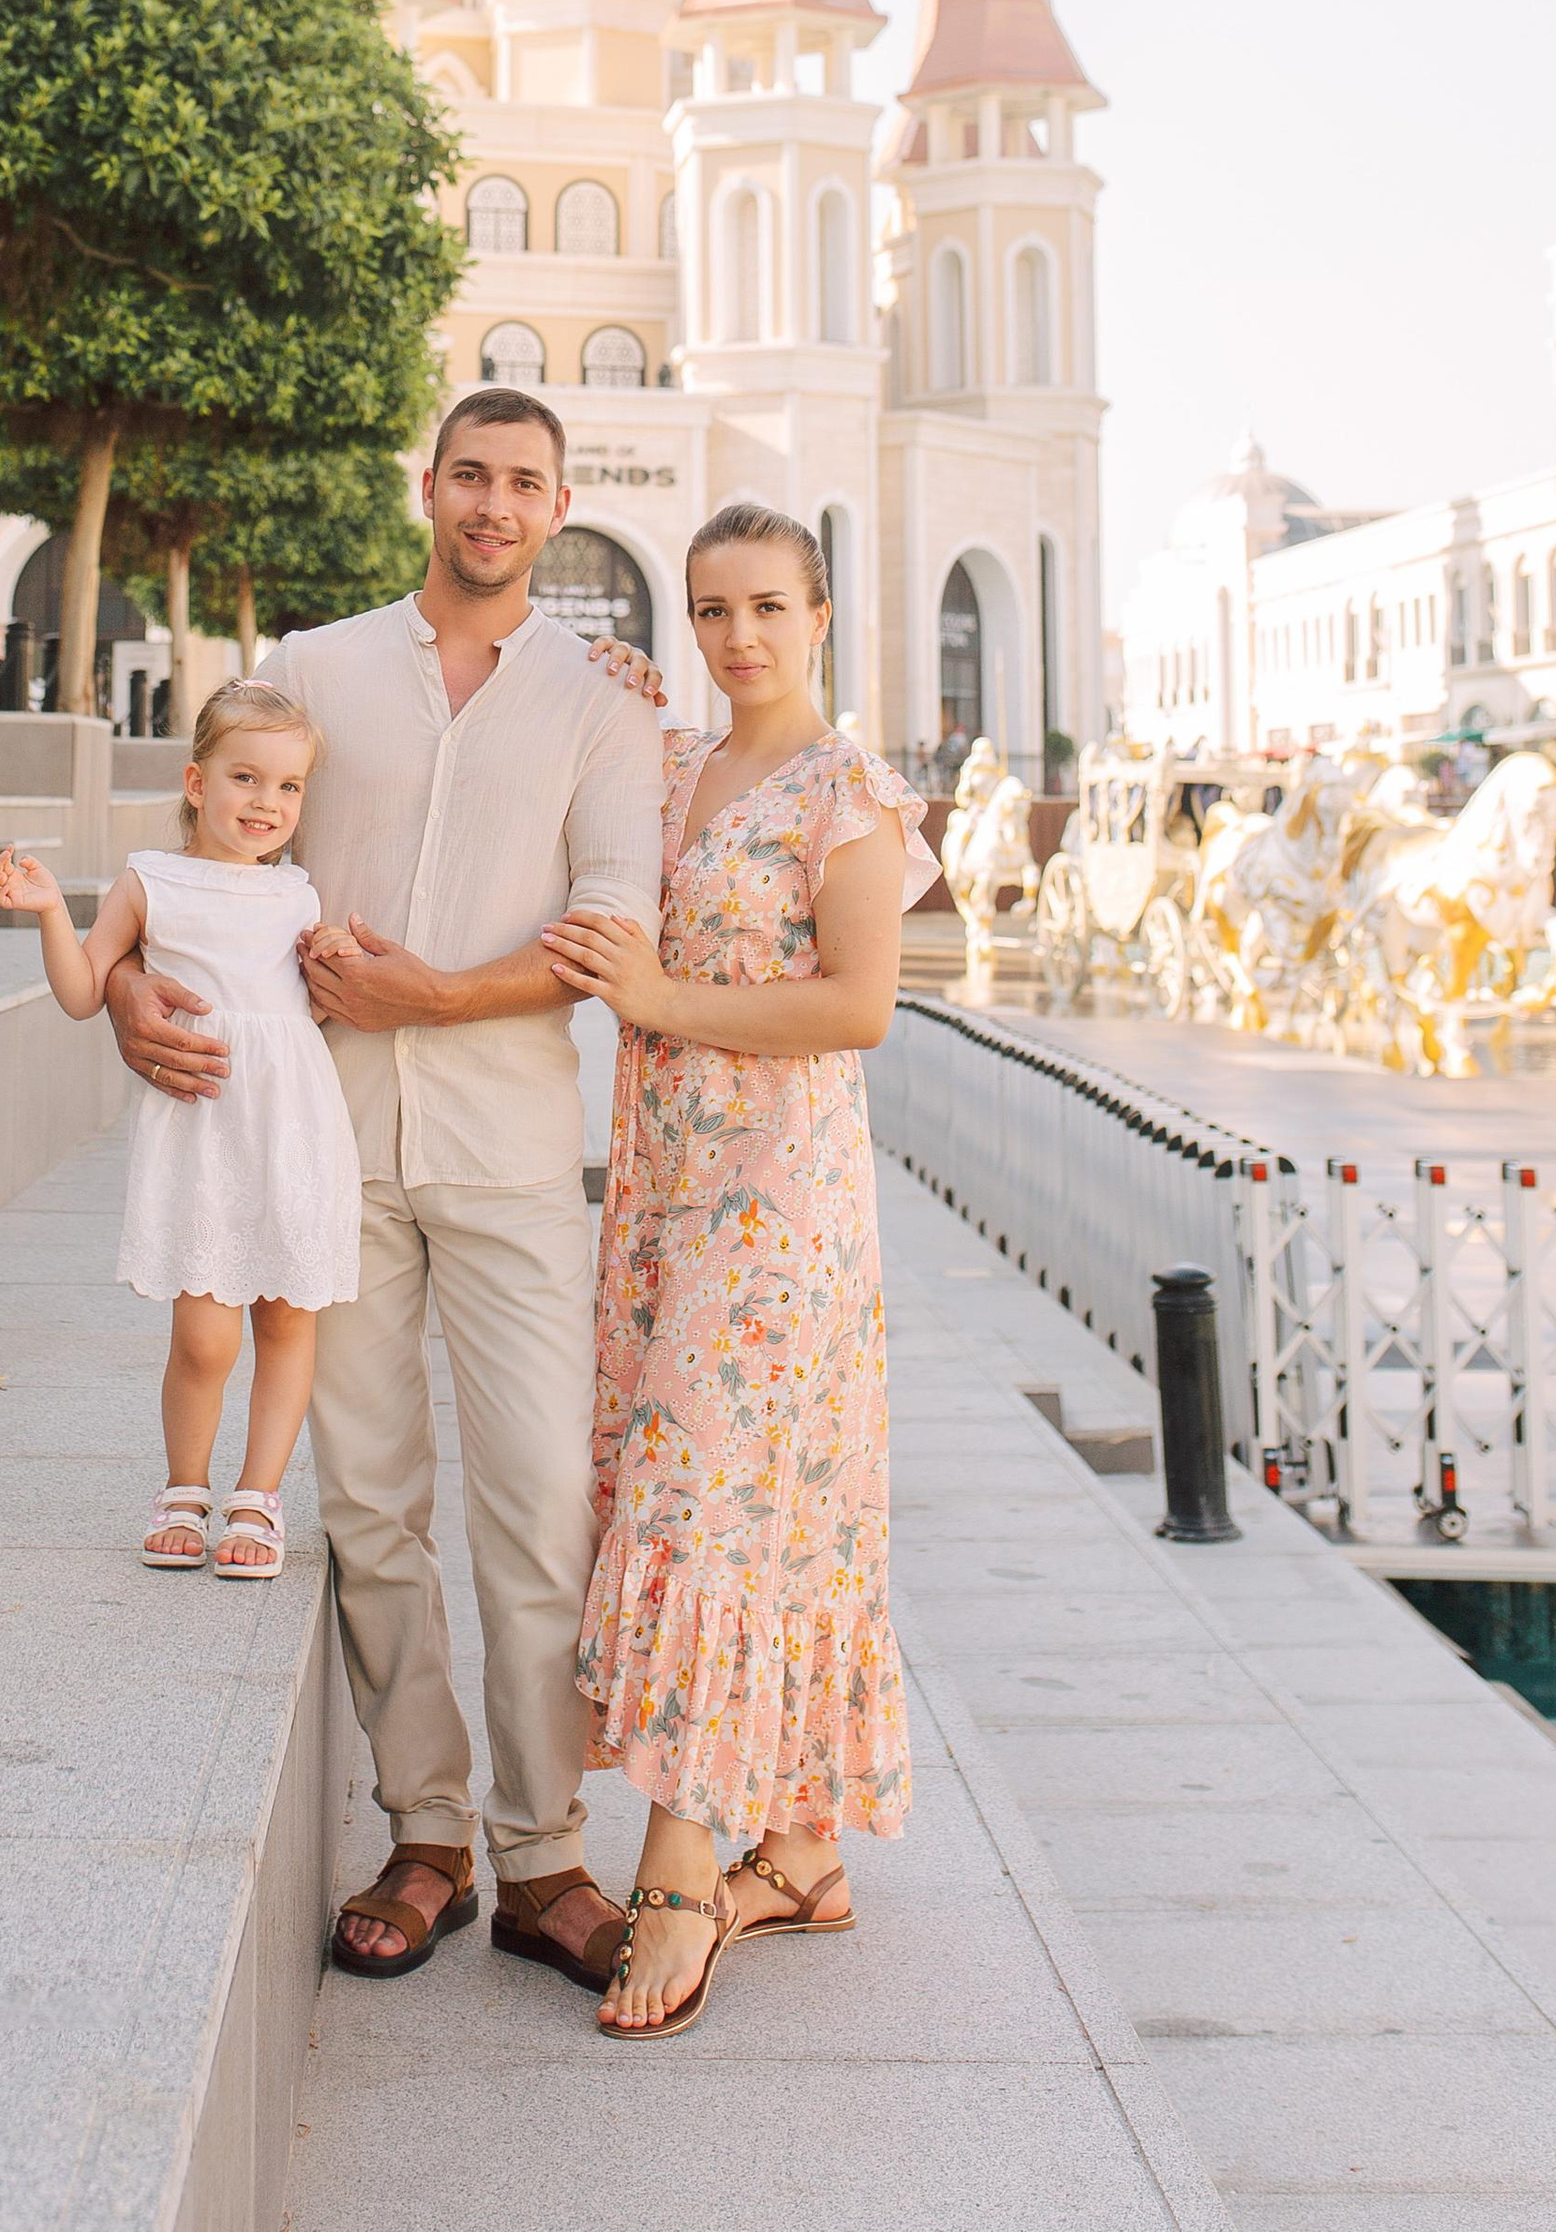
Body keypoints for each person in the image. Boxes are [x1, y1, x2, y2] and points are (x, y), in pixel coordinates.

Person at [106, 387, 663, 1990]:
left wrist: (436, 997)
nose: (494, 505)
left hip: (504, 1145)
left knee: (540, 1504)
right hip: (317, 1151)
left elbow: (611, 926)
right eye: (471, 476)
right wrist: (135, 995)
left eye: (525, 485)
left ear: (561, 508)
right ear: (430, 488)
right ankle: (427, 1834)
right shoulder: (316, 669)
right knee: (368, 1503)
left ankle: (546, 1853)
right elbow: (209, 867)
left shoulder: (604, 702)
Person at [546, 503, 930, 2044]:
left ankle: (687, 1870)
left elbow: (858, 1008)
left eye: (766, 606)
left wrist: (659, 992)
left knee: (705, 1499)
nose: (738, 637)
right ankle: (808, 1848)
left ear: (821, 612)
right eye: (712, 610)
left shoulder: (851, 793)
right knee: (760, 1507)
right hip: (665, 1194)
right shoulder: (678, 767)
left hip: (778, 1212)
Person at [0, 679, 360, 1580]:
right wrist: (48, 912)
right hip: (204, 1129)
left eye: (288, 787)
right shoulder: (152, 882)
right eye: (245, 779)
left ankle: (258, 1496)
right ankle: (183, 1485)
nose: (266, 804)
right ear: (197, 784)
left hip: (293, 1127)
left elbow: (320, 1009)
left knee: (287, 1318)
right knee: (205, 1333)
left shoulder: (302, 896)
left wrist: (343, 960)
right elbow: (85, 994)